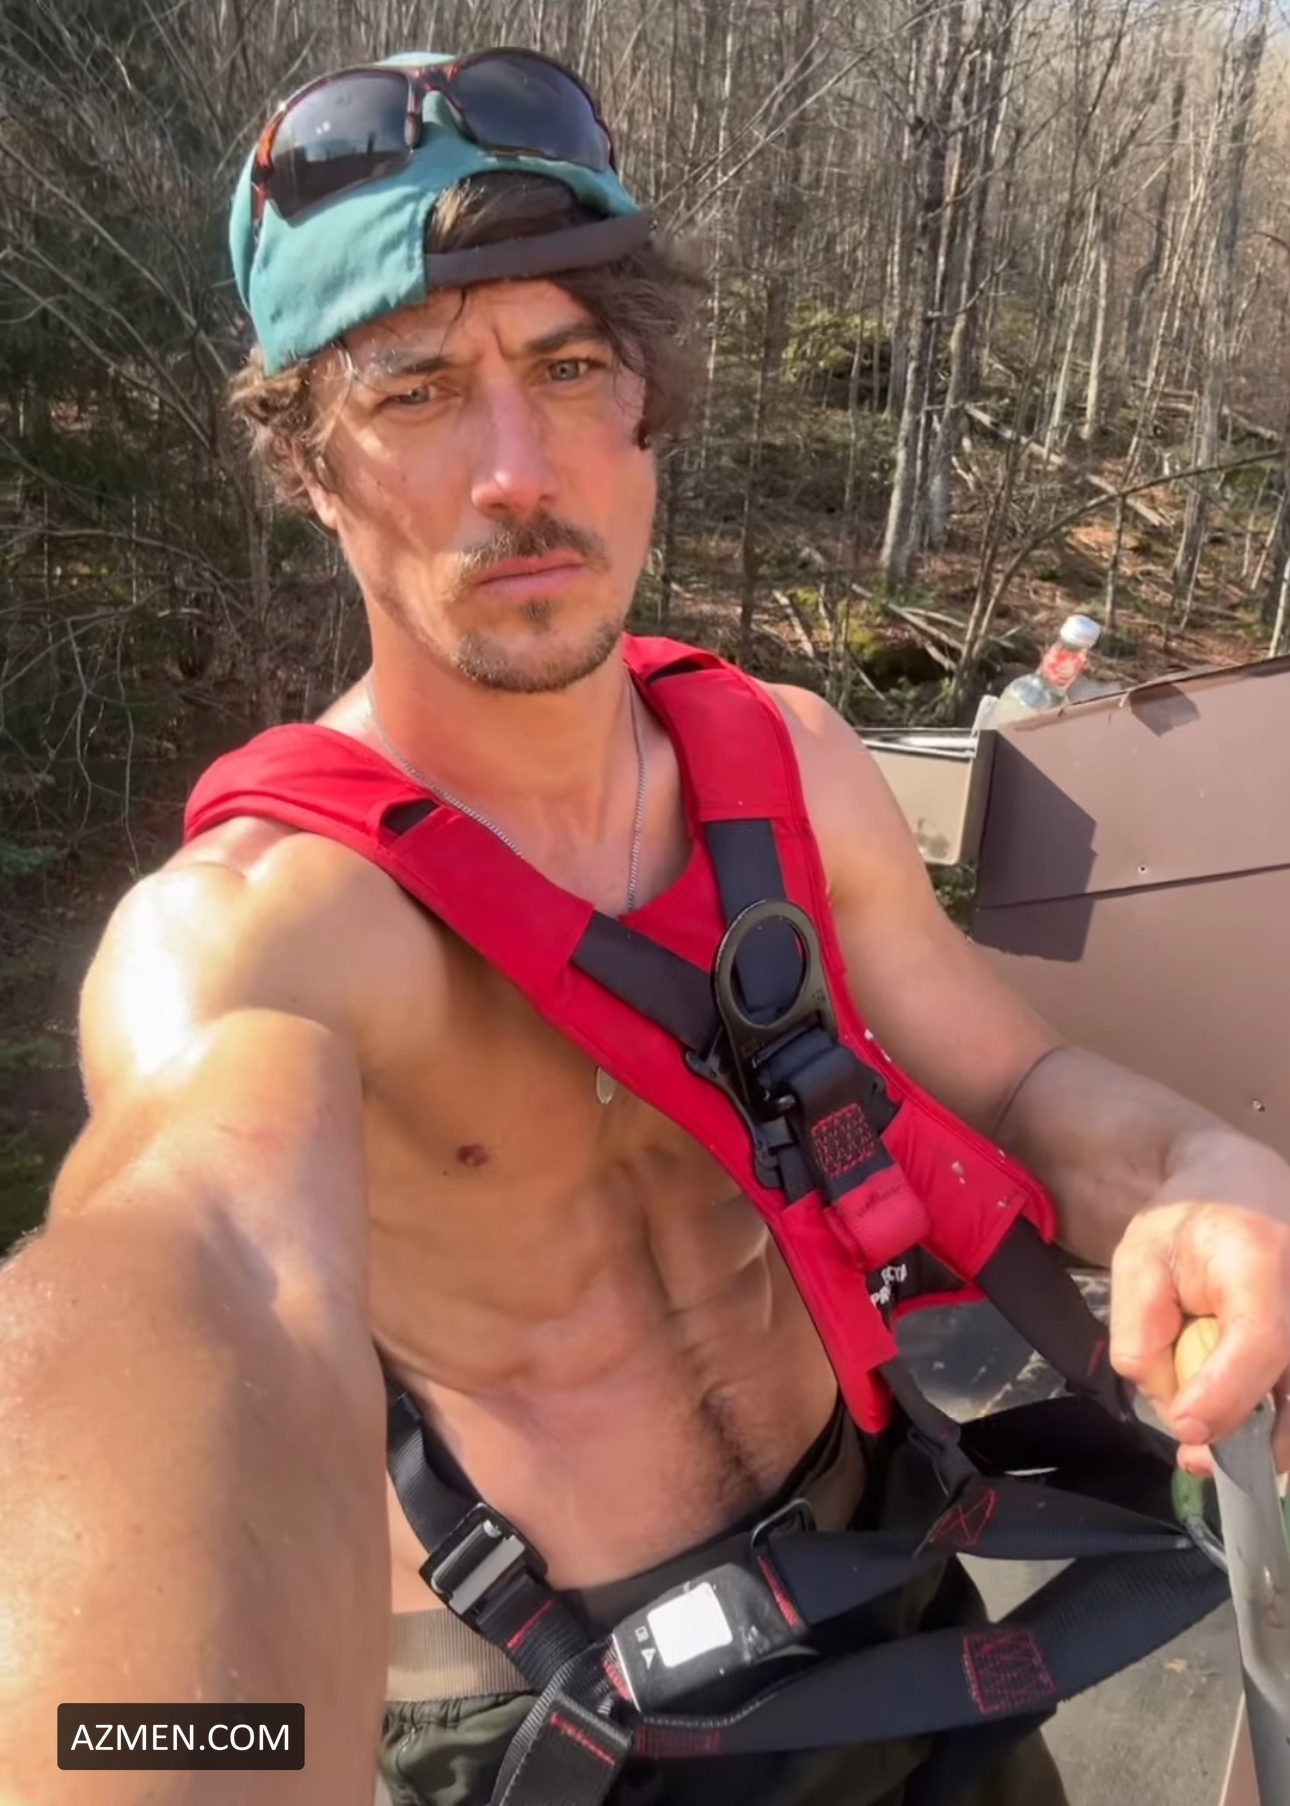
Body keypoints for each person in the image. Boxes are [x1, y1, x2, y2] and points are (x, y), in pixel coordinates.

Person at [2, 44, 1289, 1806]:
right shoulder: (254, 932)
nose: (513, 468)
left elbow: (1013, 1078)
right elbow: (197, 1296)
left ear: (645, 404)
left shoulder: (786, 763)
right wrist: (139, 1749)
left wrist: (1205, 1175)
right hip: (553, 1724)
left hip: (890, 1592)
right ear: (309, 466)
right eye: (413, 391)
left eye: (567, 367)